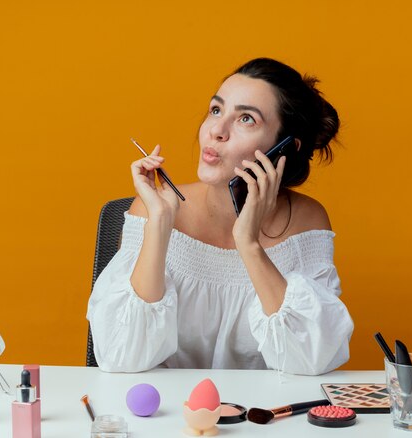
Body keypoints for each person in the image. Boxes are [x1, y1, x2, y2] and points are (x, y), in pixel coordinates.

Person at [87, 58, 354, 375]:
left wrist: (248, 243)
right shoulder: (154, 208)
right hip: (168, 415)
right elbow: (122, 357)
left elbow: (311, 359)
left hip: (266, 417)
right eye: (216, 110)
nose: (216, 131)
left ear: (284, 149)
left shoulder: (306, 223)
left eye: (245, 119)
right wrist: (159, 226)